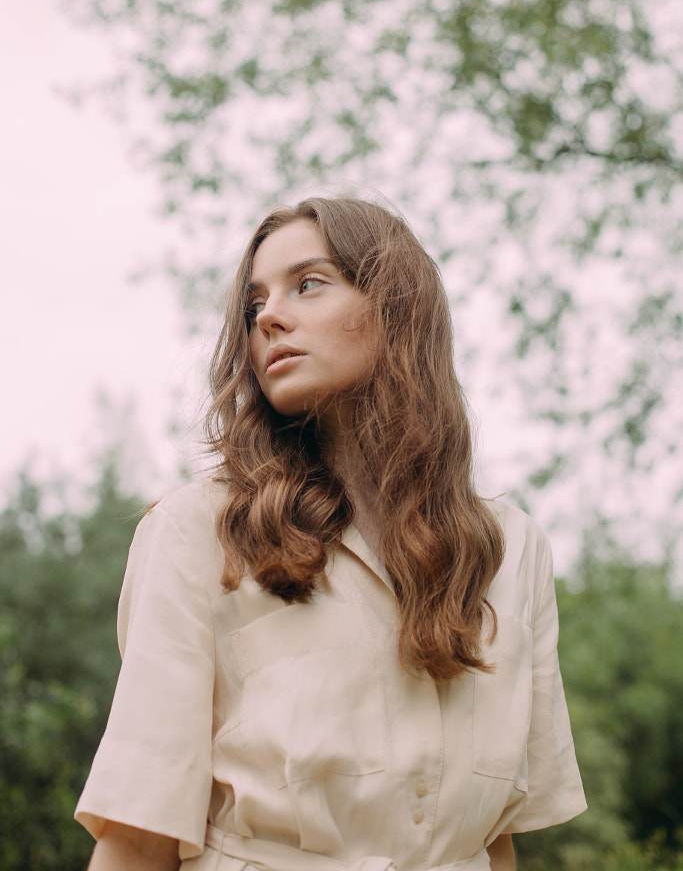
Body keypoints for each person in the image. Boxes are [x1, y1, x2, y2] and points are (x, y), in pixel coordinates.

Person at [75, 196, 586, 871]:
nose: (269, 317)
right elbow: (138, 836)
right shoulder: (194, 532)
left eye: (307, 284)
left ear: (396, 307)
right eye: (255, 303)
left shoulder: (511, 549)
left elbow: (492, 841)